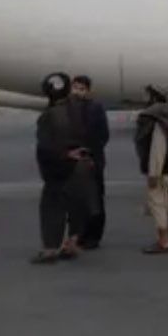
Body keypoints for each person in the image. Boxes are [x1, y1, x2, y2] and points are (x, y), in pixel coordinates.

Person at [31, 73, 100, 265]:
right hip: (82, 163)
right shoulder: (82, 109)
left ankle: (50, 249)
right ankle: (72, 243)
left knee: (52, 207)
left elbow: (45, 146)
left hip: (59, 167)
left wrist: (64, 155)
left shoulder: (48, 115)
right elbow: (95, 134)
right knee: (77, 205)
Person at [134, 84, 168, 254]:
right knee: (167, 206)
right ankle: (165, 238)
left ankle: (163, 241)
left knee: (158, 205)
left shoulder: (155, 119)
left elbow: (158, 148)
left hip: (159, 170)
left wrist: (153, 173)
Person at [70, 75, 110, 249]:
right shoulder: (68, 109)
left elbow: (103, 135)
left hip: (92, 159)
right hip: (74, 160)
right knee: (78, 200)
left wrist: (91, 154)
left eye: (81, 88)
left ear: (88, 90)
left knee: (95, 199)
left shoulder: (95, 108)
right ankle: (80, 234)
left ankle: (94, 236)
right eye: (75, 87)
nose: (77, 92)